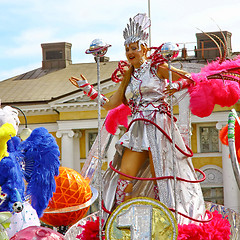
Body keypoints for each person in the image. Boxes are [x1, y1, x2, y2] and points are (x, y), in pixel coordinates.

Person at [69, 13, 205, 224]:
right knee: (125, 176)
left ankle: (167, 222)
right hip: (137, 130)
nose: (130, 52)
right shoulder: (128, 76)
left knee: (163, 178)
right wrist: (88, 89)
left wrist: (174, 86)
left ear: (143, 48)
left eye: (134, 48)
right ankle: (124, 222)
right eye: (127, 49)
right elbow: (110, 104)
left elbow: (191, 79)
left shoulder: (157, 68)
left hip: (159, 127)